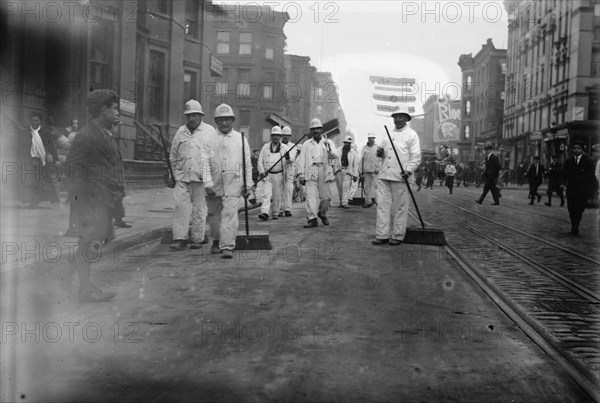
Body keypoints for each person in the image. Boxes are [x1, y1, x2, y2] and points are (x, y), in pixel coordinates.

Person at [62, 89, 121, 302]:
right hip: (90, 201)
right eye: (114, 108)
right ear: (103, 110)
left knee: (95, 241)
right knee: (89, 243)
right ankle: (85, 289)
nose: (117, 113)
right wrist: (86, 195)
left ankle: (67, 278)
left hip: (102, 200)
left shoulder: (102, 134)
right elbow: (70, 168)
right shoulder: (86, 136)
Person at [203, 104, 254, 259]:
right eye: (220, 120)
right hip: (214, 183)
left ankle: (227, 246)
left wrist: (248, 185)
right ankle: (217, 240)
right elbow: (204, 162)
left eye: (227, 120)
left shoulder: (241, 139)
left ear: (233, 120)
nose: (224, 123)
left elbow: (247, 164)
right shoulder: (209, 139)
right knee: (214, 216)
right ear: (216, 121)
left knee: (230, 215)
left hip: (234, 183)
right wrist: (207, 183)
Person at [168, 99, 215, 251]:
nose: (191, 118)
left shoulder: (209, 131)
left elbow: (214, 157)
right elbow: (173, 155)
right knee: (180, 208)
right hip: (182, 177)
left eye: (194, 115)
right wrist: (172, 174)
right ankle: (180, 239)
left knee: (199, 210)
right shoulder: (180, 131)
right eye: (188, 116)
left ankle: (197, 239)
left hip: (201, 178)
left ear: (200, 116)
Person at [372, 105, 421, 245]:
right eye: (395, 116)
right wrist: (379, 152)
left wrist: (409, 170)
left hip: (401, 176)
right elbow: (380, 150)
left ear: (406, 118)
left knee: (400, 207)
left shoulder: (411, 135)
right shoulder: (387, 134)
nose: (397, 119)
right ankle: (382, 235)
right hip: (384, 175)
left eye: (401, 116)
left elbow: (416, 156)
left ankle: (398, 236)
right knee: (382, 206)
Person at [298, 118, 339, 227]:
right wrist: (301, 174)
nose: (316, 131)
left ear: (321, 130)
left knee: (326, 197)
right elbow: (302, 159)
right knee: (310, 196)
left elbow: (335, 155)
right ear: (311, 131)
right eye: (313, 129)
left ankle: (322, 212)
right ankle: (312, 219)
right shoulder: (306, 144)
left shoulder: (328, 142)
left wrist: (328, 147)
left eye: (318, 129)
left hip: (323, 169)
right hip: (310, 169)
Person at [17, 111, 60, 208]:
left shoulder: (44, 133)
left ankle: (37, 201)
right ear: (30, 121)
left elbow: (51, 146)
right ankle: (33, 201)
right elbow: (22, 146)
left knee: (41, 181)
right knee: (32, 182)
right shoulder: (26, 132)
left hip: (41, 160)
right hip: (29, 160)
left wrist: (55, 158)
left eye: (37, 120)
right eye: (33, 120)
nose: (35, 122)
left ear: (40, 121)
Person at [257, 126, 290, 221]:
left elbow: (290, 161)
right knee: (266, 194)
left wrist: (288, 157)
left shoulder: (285, 148)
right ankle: (264, 212)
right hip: (267, 174)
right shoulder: (265, 147)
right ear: (271, 136)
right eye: (274, 135)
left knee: (276, 194)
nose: (275, 137)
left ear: (280, 137)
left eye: (277, 135)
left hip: (278, 174)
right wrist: (262, 172)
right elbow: (260, 161)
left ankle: (275, 212)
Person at [563, 141, 595, 235]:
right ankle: (573, 224)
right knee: (571, 208)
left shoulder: (587, 161)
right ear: (572, 150)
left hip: (582, 189)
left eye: (578, 148)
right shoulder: (569, 161)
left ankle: (575, 226)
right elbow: (564, 174)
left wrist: (592, 188)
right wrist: (562, 183)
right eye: (574, 148)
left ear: (582, 150)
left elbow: (591, 175)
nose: (576, 150)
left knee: (579, 208)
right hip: (571, 189)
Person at [104, 119, 131, 228]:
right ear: (112, 126)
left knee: (118, 197)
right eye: (117, 126)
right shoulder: (107, 139)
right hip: (111, 174)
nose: (118, 129)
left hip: (116, 173)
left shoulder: (112, 138)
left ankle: (118, 220)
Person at [336, 136, 360, 209]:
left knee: (346, 188)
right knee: (340, 187)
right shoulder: (339, 150)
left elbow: (355, 164)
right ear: (344, 143)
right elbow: (335, 159)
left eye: (349, 143)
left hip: (348, 170)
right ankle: (341, 202)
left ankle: (345, 202)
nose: (348, 144)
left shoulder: (353, 152)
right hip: (339, 170)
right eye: (346, 143)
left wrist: (355, 175)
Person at [279, 126, 296, 217]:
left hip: (289, 168)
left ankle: (287, 209)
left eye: (287, 135)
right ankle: (280, 209)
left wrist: (288, 156)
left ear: (290, 136)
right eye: (284, 135)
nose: (286, 137)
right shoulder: (278, 145)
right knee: (279, 189)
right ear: (281, 136)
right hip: (279, 168)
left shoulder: (293, 146)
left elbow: (292, 159)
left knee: (289, 189)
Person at [361, 133, 380, 207]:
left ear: (374, 138)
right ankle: (368, 202)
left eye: (371, 138)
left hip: (375, 170)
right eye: (369, 137)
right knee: (367, 187)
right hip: (367, 170)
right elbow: (361, 159)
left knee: (377, 187)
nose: (370, 139)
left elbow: (380, 159)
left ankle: (378, 202)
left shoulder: (378, 147)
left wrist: (378, 167)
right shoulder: (364, 148)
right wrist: (361, 170)